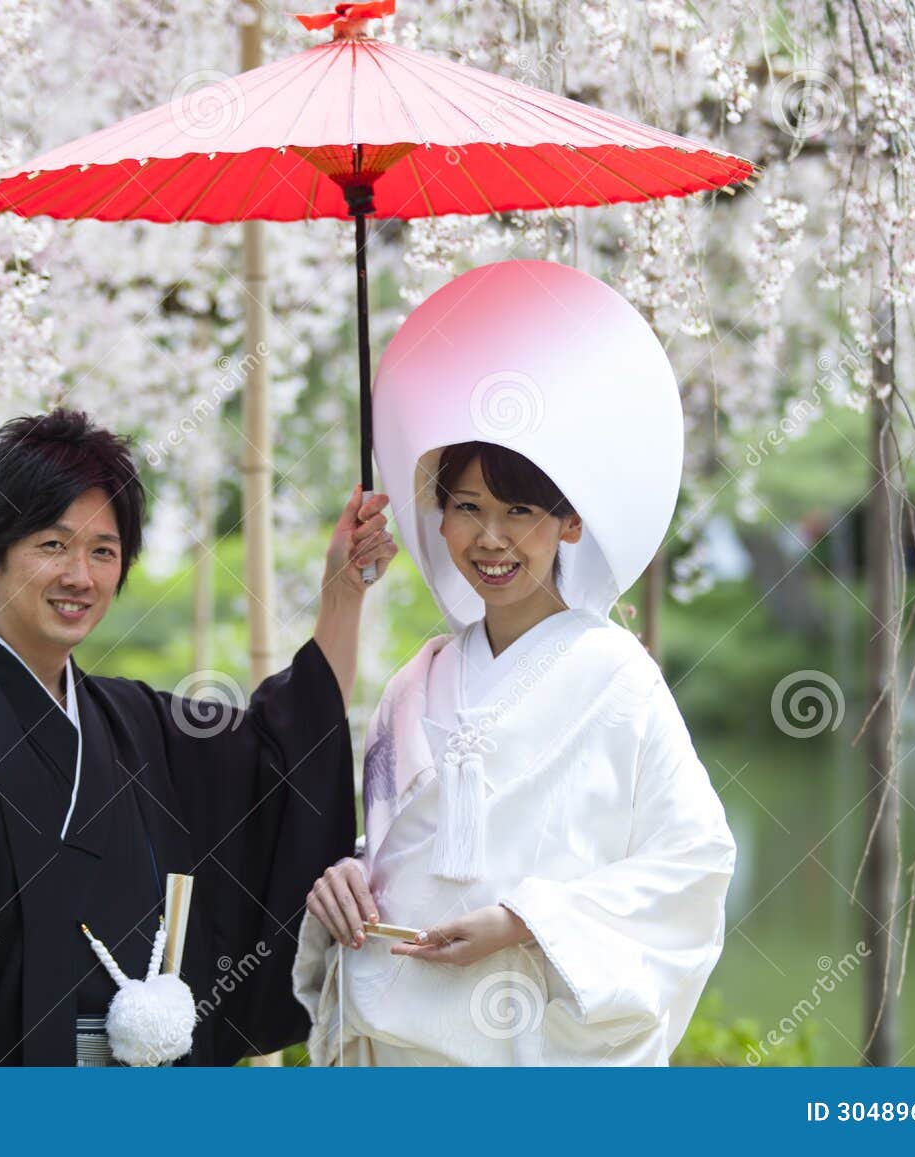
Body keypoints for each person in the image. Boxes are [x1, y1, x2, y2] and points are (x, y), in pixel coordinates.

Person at [0, 408, 396, 1065]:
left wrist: (343, 592)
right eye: (52, 545)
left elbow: (281, 751)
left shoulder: (131, 720)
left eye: (103, 551)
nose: (80, 576)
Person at [292, 260, 737, 1066]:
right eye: (466, 508)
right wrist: (346, 881)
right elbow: (395, 858)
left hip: (537, 1050)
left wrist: (526, 921)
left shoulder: (618, 679)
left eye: (519, 512)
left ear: (569, 523)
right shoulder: (413, 684)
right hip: (406, 1056)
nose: (489, 539)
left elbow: (695, 860)